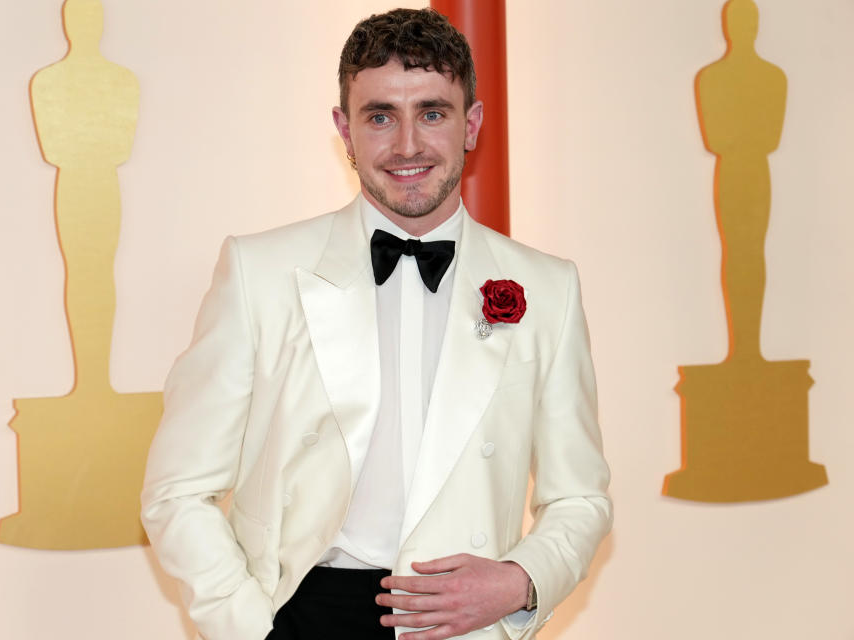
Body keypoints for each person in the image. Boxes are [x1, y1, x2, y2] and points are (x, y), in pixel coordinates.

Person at [141, 8, 611, 640]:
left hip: (464, 624)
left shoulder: (549, 288)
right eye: (381, 115)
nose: (408, 145)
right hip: (303, 616)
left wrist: (520, 581)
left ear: (471, 124)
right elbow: (177, 491)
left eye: (433, 113)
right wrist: (255, 629)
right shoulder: (259, 272)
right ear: (345, 128)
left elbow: (581, 498)